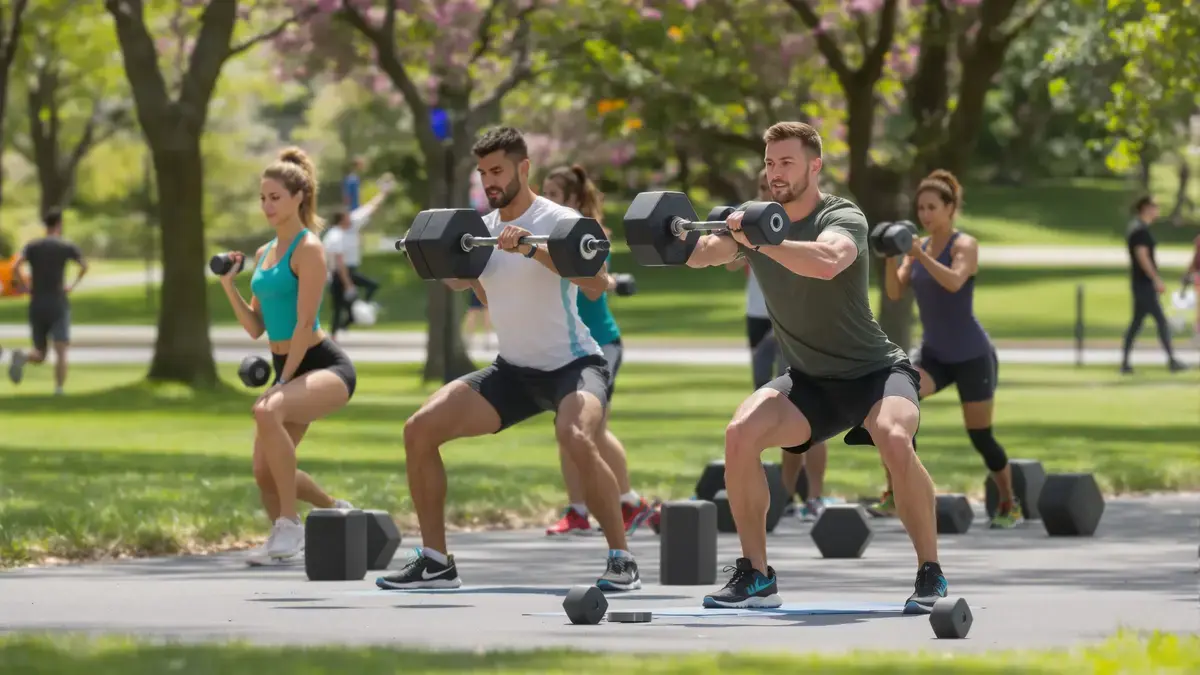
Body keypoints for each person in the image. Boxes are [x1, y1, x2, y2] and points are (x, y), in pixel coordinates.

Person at [682, 122, 945, 614]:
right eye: (769, 163)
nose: (775, 172)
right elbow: (701, 255)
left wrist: (759, 240)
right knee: (740, 434)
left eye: (787, 162)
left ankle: (930, 571)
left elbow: (826, 261)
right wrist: (674, 236)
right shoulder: (755, 221)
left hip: (876, 373)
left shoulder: (841, 215)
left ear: (815, 165)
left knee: (893, 437)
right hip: (810, 382)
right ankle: (757, 575)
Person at [377, 127, 638, 592]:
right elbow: (487, 293)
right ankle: (436, 562)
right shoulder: (481, 230)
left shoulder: (560, 220)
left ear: (524, 167)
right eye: (483, 173)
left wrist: (532, 248)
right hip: (513, 372)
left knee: (575, 435)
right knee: (419, 430)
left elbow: (597, 284)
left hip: (575, 365)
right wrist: (451, 271)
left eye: (497, 171)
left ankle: (621, 559)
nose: (489, 182)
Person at [217, 147, 358, 566]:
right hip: (287, 365)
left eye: (275, 197)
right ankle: (334, 510)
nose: (267, 206)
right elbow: (256, 327)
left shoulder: (308, 248)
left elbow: (304, 323)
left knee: (266, 411)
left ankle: (289, 524)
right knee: (265, 471)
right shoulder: (264, 254)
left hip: (322, 364)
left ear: (299, 197)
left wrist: (281, 383)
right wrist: (229, 285)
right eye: (263, 198)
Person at [877, 170, 1021, 529]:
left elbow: (955, 282)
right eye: (920, 208)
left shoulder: (964, 245)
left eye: (932, 207)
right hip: (934, 356)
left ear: (950, 208)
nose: (925, 214)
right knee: (895, 407)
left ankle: (1009, 501)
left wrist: (919, 255)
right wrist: (891, 255)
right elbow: (894, 292)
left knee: (980, 436)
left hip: (972, 355)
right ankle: (896, 490)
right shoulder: (917, 248)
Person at [541, 164, 654, 537]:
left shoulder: (592, 236)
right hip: (565, 345)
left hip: (601, 344)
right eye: (544, 193)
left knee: (589, 429)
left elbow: (592, 291)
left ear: (573, 198)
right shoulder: (541, 235)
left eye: (553, 194)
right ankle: (587, 510)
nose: (545, 200)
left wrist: (558, 261)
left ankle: (626, 503)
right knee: (568, 428)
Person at [726, 169, 829, 521]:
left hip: (795, 320)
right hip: (758, 315)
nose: (765, 192)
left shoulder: (799, 221)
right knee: (768, 406)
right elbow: (730, 264)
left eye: (770, 185)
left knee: (807, 406)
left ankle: (814, 495)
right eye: (760, 187)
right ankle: (784, 494)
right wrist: (738, 235)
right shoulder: (749, 220)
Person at [8, 209, 89, 394]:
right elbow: (84, 266)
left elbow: (15, 266)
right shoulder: (66, 246)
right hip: (57, 303)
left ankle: (22, 356)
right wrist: (72, 285)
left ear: (46, 225)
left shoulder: (33, 246)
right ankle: (59, 389)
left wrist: (26, 287)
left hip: (37, 303)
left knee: (40, 353)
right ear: (59, 224)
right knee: (61, 349)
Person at [324, 173, 395, 339]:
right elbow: (339, 262)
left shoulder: (352, 224)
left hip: (351, 270)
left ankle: (351, 318)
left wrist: (383, 193)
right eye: (346, 217)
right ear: (340, 220)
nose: (350, 218)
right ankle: (334, 335)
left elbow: (370, 208)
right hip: (339, 274)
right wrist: (348, 284)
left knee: (370, 287)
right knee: (338, 306)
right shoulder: (335, 236)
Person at [1121, 196, 1187, 373]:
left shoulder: (1138, 229)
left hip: (1140, 284)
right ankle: (1172, 361)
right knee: (1161, 321)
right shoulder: (1140, 232)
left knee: (1136, 324)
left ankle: (1125, 364)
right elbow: (1142, 256)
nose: (1157, 210)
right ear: (1146, 209)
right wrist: (1156, 279)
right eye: (1154, 207)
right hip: (1144, 284)